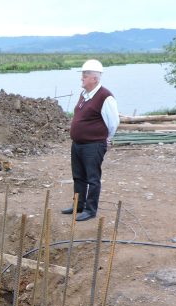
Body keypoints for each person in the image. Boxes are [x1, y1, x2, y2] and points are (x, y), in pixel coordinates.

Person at [62, 59, 120, 222]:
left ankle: (90, 209)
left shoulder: (105, 97)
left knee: (92, 178)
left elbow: (113, 122)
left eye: (85, 75)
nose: (82, 78)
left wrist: (105, 139)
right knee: (78, 176)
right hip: (78, 144)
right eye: (83, 75)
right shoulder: (84, 95)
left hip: (93, 145)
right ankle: (78, 205)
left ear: (95, 78)